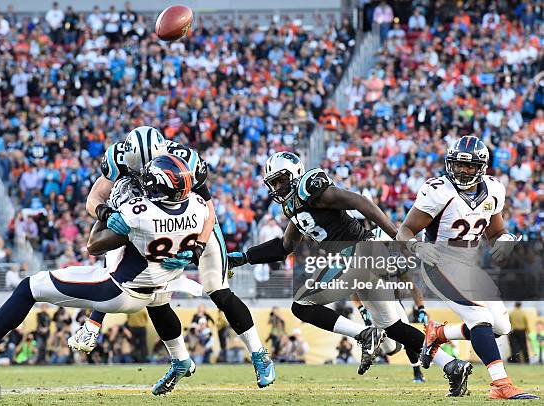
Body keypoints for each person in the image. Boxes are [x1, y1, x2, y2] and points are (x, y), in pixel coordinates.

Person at [0, 155, 207, 397]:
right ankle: (176, 357)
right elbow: (206, 217)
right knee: (157, 300)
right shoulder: (197, 207)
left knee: (29, 287)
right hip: (157, 285)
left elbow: (93, 245)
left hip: (119, 290)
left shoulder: (140, 213)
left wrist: (108, 211)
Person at [228, 151, 472, 396]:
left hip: (358, 251)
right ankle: (452, 365)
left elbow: (361, 202)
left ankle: (364, 334)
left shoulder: (311, 189)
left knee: (302, 304)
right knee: (393, 331)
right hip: (364, 257)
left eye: (280, 180)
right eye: (273, 182)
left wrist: (398, 237)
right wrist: (245, 257)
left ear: (294, 175)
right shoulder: (294, 206)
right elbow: (285, 247)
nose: (276, 187)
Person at [71, 126, 275, 388]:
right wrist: (105, 214)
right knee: (155, 297)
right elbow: (94, 197)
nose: (145, 177)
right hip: (157, 227)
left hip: (195, 224)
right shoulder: (118, 158)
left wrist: (197, 247)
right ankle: (180, 360)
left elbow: (209, 211)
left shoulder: (186, 160)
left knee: (216, 288)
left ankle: (259, 355)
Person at [396, 136, 538, 400]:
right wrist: (415, 247)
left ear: (481, 167)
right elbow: (404, 230)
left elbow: (497, 232)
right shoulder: (438, 190)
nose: (464, 170)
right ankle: (501, 384)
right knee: (479, 317)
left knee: (501, 327)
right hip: (439, 263)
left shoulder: (494, 189)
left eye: (471, 166)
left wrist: (505, 242)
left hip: (469, 266)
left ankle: (439, 333)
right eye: (459, 165)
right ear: (450, 164)